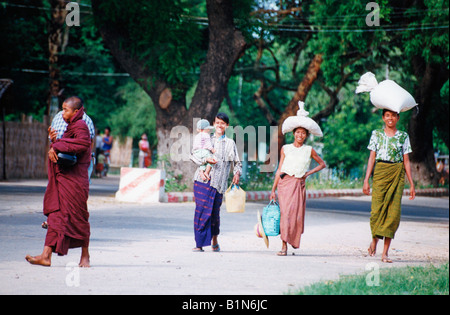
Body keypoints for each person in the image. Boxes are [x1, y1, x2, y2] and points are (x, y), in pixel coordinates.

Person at [26, 96, 92, 267]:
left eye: (66, 109)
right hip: (64, 179)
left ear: (76, 112)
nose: (63, 112)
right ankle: (46, 256)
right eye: (62, 109)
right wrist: (55, 141)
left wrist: (57, 146)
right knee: (56, 216)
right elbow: (67, 150)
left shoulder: (82, 126)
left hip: (76, 181)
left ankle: (85, 256)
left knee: (79, 219)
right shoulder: (71, 126)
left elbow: (82, 144)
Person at [270, 104, 326, 256]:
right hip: (284, 184)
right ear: (294, 133)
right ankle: (283, 246)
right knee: (284, 214)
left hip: (297, 185)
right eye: (298, 133)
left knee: (293, 215)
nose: (300, 135)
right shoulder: (286, 148)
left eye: (303, 133)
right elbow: (279, 170)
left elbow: (322, 164)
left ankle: (290, 241)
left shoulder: (309, 150)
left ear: (306, 136)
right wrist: (273, 190)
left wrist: (308, 174)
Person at [363, 109, 415, 263]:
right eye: (387, 115)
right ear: (383, 118)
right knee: (376, 212)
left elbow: (406, 161)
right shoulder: (376, 134)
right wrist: (366, 179)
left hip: (397, 174)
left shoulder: (403, 136)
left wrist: (411, 184)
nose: (390, 118)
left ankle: (385, 253)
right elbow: (372, 158)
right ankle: (374, 241)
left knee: (393, 213)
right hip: (380, 173)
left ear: (398, 118)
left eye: (393, 115)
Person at [190, 113, 242, 252]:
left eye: (223, 123)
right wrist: (203, 164)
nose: (220, 125)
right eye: (217, 122)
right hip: (202, 180)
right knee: (201, 211)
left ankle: (214, 239)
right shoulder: (206, 138)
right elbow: (193, 154)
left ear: (227, 126)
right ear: (213, 124)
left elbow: (237, 162)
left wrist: (236, 173)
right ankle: (199, 244)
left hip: (219, 184)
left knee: (214, 213)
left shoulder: (230, 143)